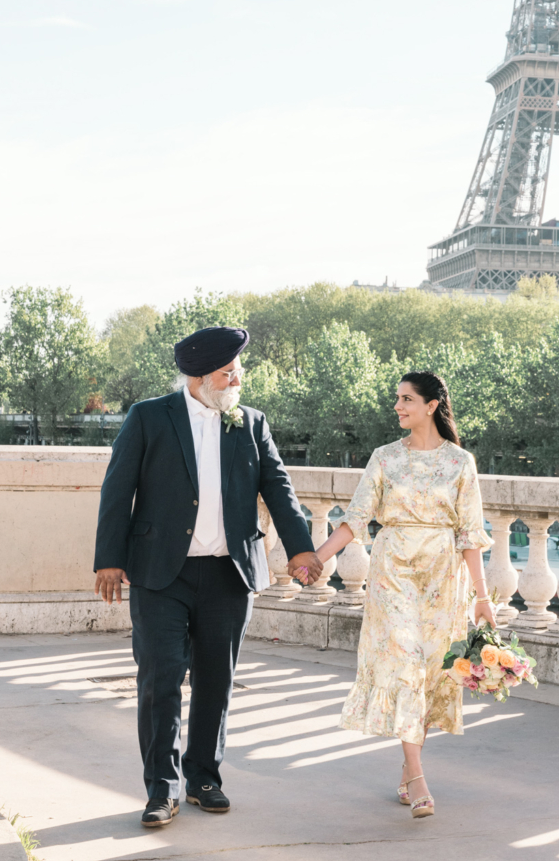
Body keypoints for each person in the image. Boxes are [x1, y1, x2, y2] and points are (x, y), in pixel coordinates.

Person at [93, 325, 322, 829]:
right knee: (161, 679)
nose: (238, 378)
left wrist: (302, 549)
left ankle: (203, 778)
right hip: (160, 576)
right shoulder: (149, 417)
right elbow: (118, 490)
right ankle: (162, 788)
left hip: (229, 574)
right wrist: (108, 558)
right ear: (199, 377)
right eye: (228, 371)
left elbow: (278, 489)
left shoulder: (251, 422)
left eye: (237, 369)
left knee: (216, 681)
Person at [308, 371, 492, 819]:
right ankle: (417, 775)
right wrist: (317, 558)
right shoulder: (385, 458)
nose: (398, 406)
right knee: (406, 662)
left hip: (443, 576)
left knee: (430, 670)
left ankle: (409, 766)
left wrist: (483, 599)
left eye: (407, 399)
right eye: (397, 399)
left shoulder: (460, 463)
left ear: (431, 406)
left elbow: (470, 535)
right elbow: (357, 518)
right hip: (393, 570)